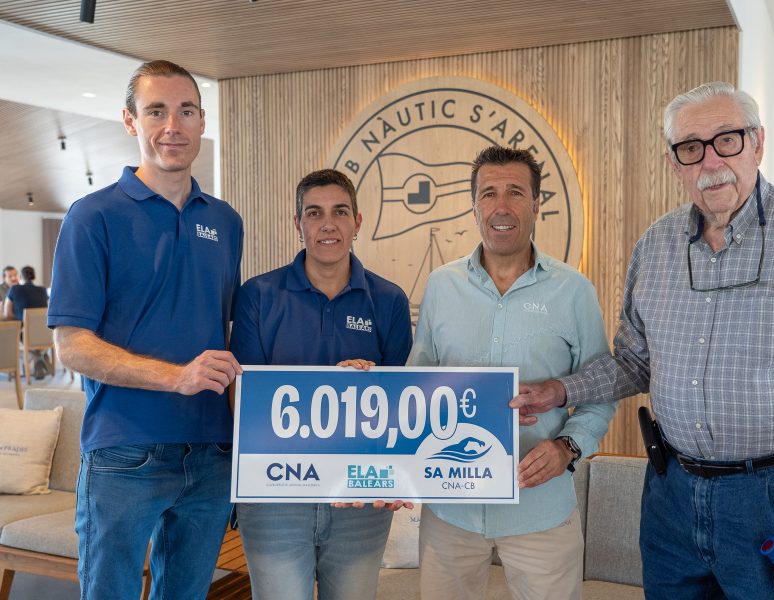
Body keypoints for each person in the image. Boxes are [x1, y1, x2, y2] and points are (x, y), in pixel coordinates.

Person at [510, 82, 774, 600]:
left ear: (758, 143)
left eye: (727, 140)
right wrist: (560, 391)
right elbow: (635, 361)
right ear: (675, 163)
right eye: (691, 147)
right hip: (671, 496)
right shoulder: (655, 246)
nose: (711, 161)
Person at [48, 60, 244, 600]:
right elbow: (71, 345)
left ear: (202, 120)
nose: (172, 126)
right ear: (130, 121)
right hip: (123, 451)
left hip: (211, 451)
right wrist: (177, 377)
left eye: (186, 111)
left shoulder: (225, 221)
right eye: (156, 111)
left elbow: (226, 330)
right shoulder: (92, 216)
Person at [408, 146, 618, 600]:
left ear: (537, 204)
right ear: (474, 206)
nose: (501, 207)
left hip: (540, 511)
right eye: (489, 194)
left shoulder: (574, 291)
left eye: (516, 193)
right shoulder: (442, 286)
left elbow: (602, 391)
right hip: (450, 512)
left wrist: (567, 447)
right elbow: (417, 387)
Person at [229, 168, 413, 600]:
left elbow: (402, 403)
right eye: (314, 213)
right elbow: (243, 399)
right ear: (298, 224)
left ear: (357, 222)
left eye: (340, 212)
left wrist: (370, 386)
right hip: (275, 496)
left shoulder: (389, 300)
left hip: (359, 499)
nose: (328, 224)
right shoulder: (258, 295)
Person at [3, 265, 50, 379]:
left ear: (20, 276)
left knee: (14, 337)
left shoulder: (14, 289)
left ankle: (37, 359)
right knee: (34, 340)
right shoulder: (43, 290)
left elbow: (7, 314)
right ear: (34, 276)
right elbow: (48, 311)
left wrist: (21, 317)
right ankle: (41, 356)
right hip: (46, 334)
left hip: (26, 334)